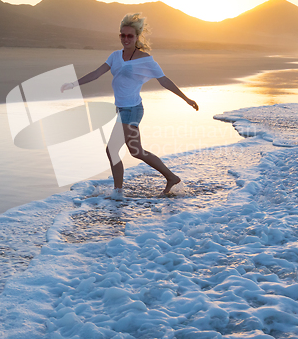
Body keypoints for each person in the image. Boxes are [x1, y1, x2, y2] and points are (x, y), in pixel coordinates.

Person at [61, 13, 198, 199]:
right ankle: (170, 177)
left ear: (137, 37)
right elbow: (96, 74)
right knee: (136, 151)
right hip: (122, 109)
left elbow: (164, 80)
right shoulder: (115, 56)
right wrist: (73, 84)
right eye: (122, 35)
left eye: (130, 36)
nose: (126, 39)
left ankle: (119, 192)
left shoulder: (145, 59)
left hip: (132, 109)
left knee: (115, 150)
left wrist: (186, 99)